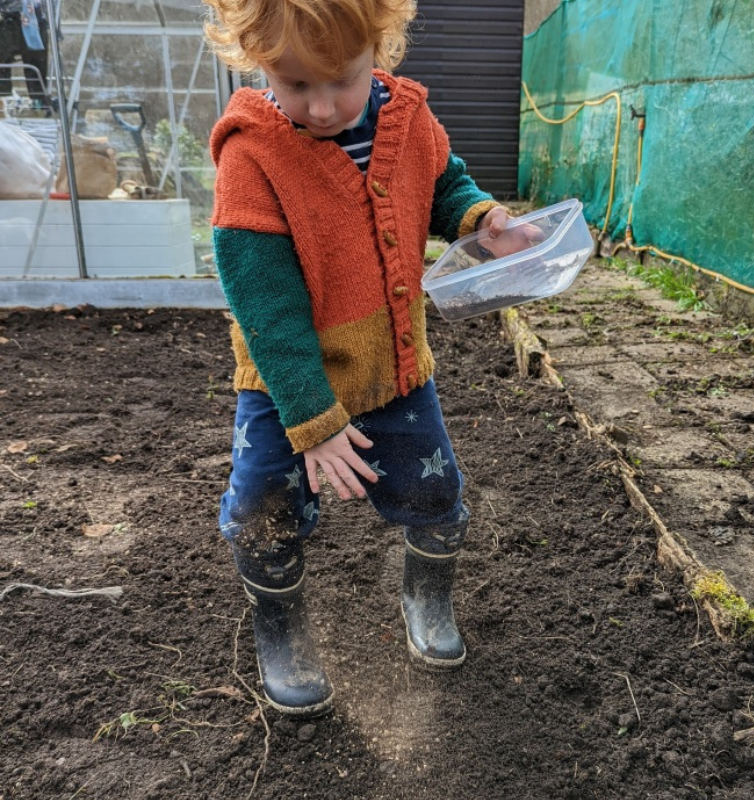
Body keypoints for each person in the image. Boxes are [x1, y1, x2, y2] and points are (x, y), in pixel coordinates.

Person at [203, 0, 538, 717]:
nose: (321, 106)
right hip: (285, 379)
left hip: (392, 365)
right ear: (256, 60)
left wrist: (485, 220)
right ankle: (281, 629)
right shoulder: (250, 155)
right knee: (265, 507)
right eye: (294, 86)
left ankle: (427, 594)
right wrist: (314, 421)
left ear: (378, 50)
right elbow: (267, 311)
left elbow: (444, 184)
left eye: (340, 81)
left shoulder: (409, 119)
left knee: (437, 492)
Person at [0, 0, 50, 110]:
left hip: (32, 15)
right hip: (9, 16)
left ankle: (39, 102)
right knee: (3, 62)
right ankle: (3, 100)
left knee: (36, 61)